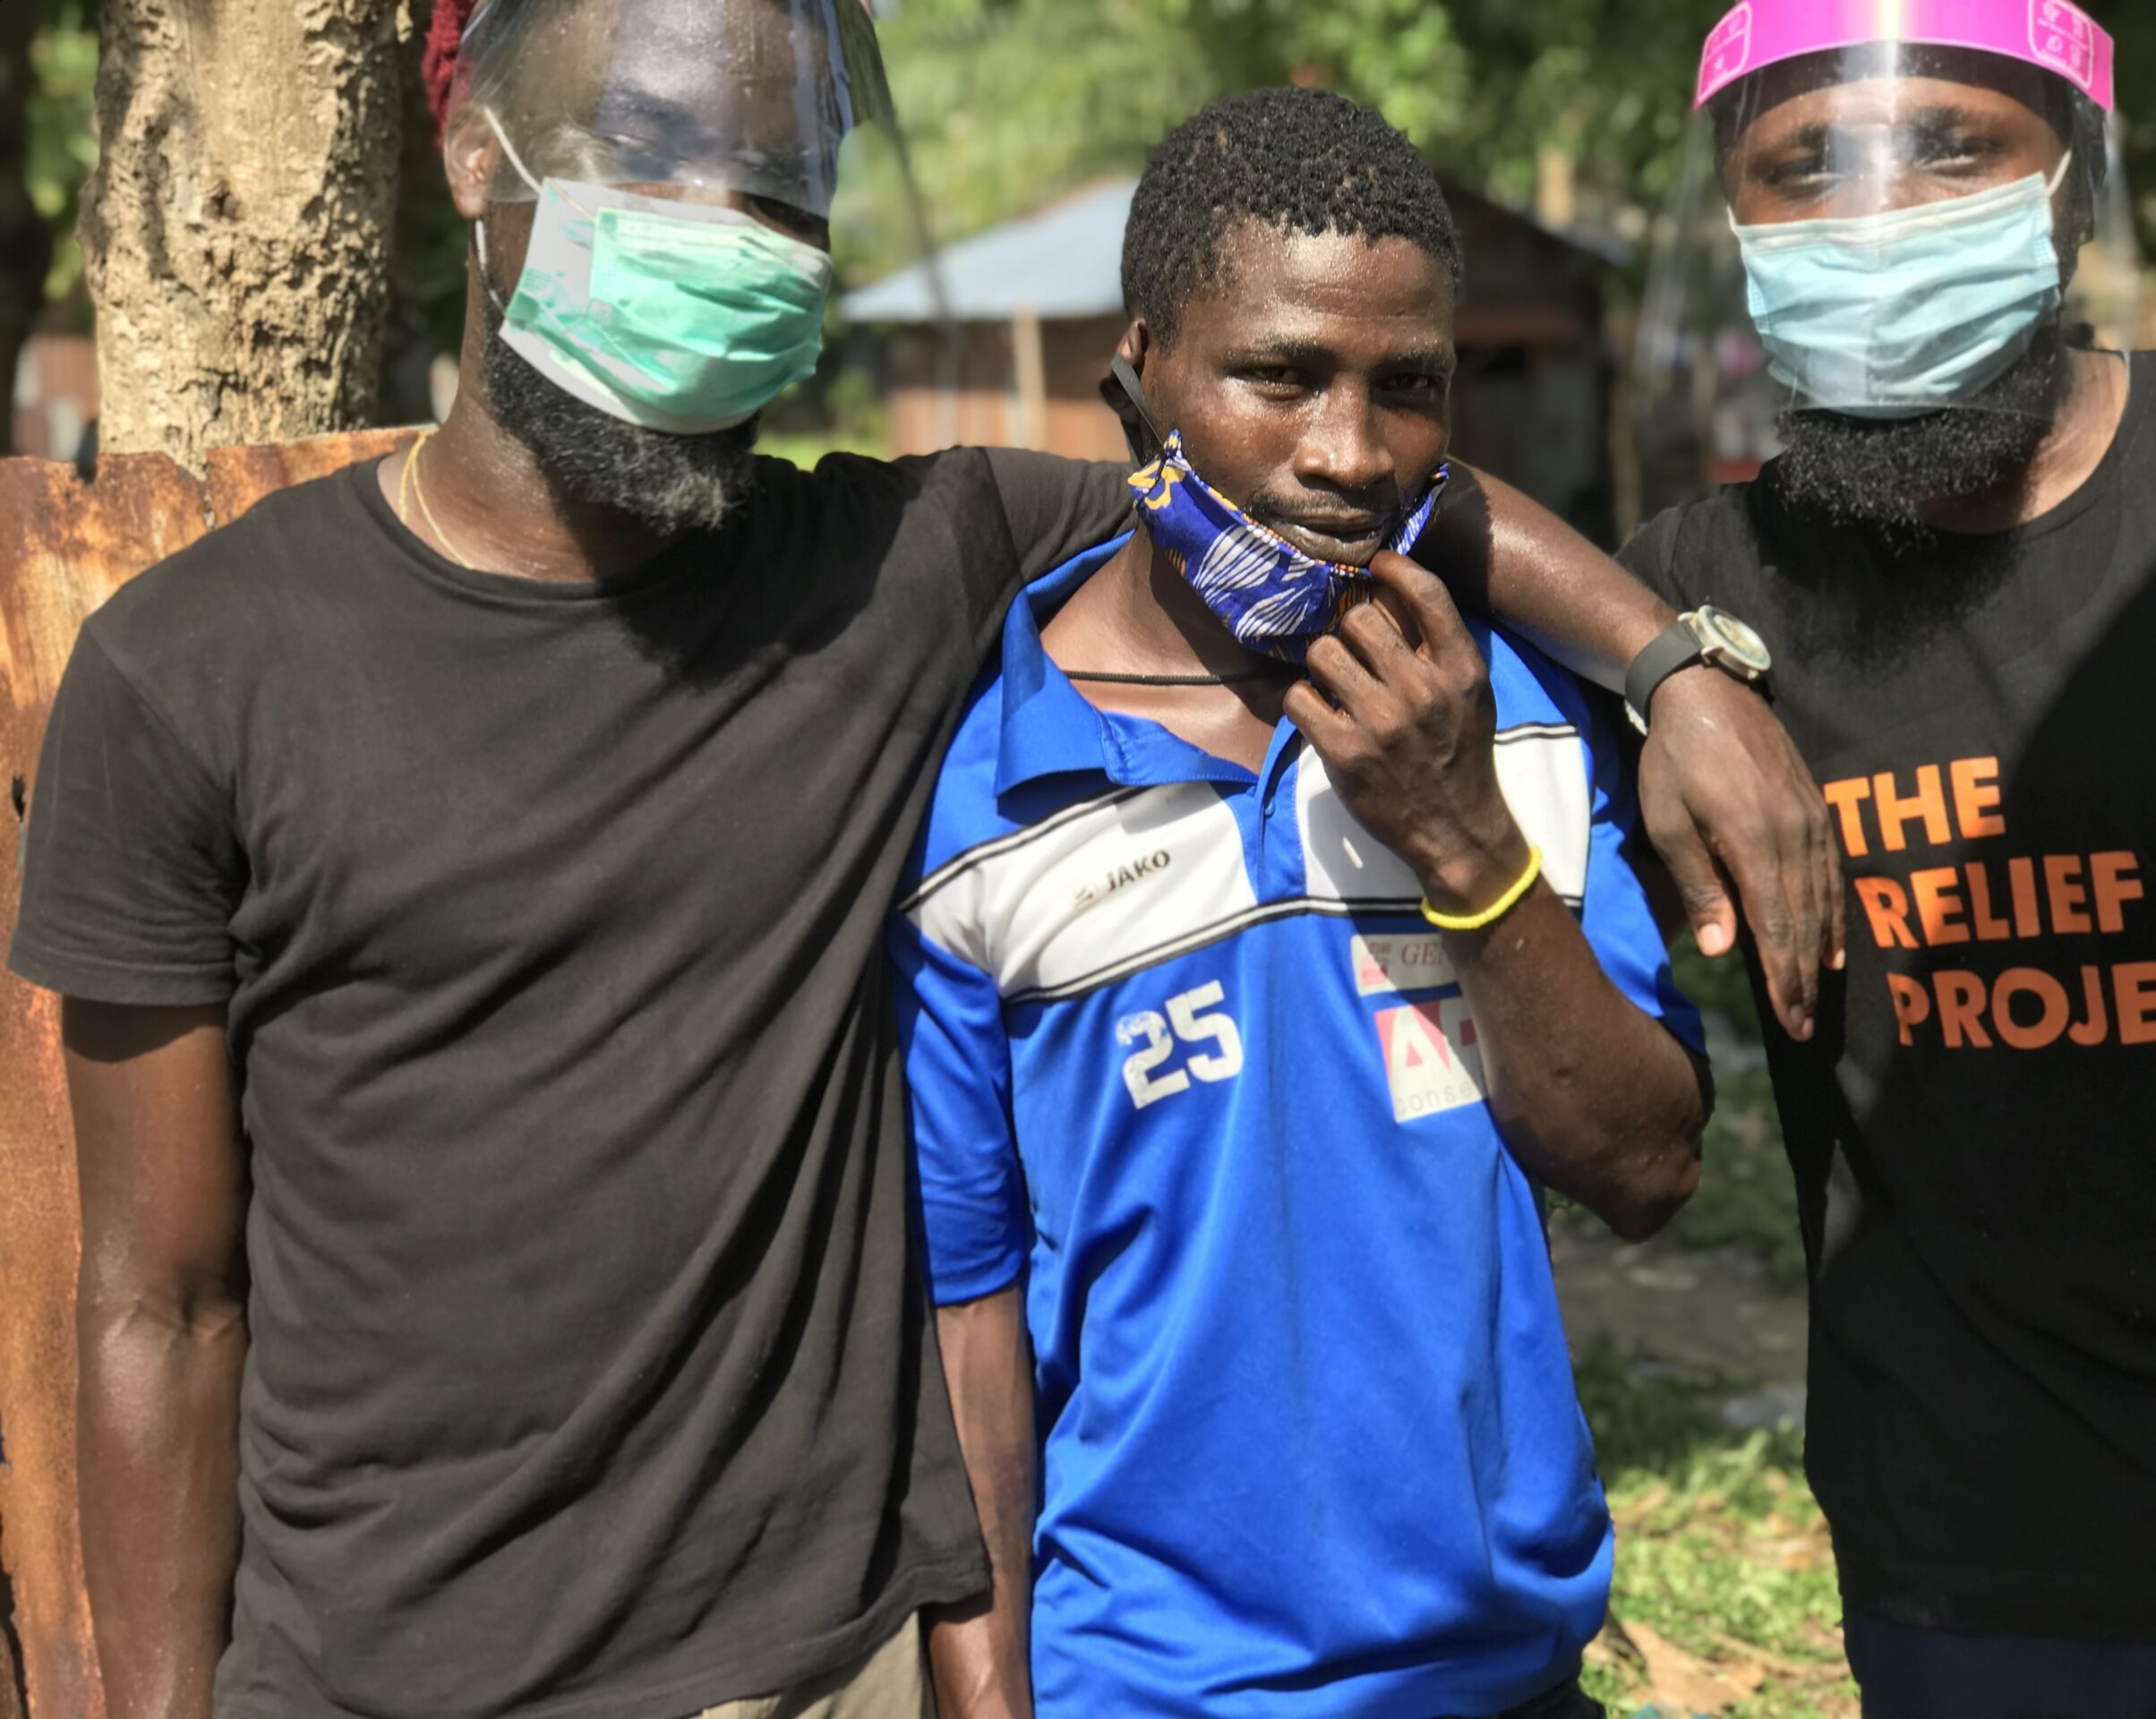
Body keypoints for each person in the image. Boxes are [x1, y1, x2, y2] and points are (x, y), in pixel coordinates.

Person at [8, 4, 1828, 1717]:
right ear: (475, 151)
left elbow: (1326, 481)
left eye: (777, 190)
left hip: (831, 1664)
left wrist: (1671, 668)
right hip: (385, 1675)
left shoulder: (896, 570)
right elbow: (158, 1302)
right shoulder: (193, 672)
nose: (717, 231)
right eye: (646, 156)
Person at [892, 88, 1712, 1719]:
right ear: (1143, 367)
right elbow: (968, 1325)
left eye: (1409, 387)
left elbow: (1647, 1169)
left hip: (1507, 1674)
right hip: (1150, 1687)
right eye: (1280, 375)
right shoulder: (980, 799)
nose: (1350, 452)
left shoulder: (1519, 722)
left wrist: (1464, 842)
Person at [1615, 1, 2156, 1711]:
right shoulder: (1709, 586)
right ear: (1737, 220)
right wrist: (1665, 663)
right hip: (1970, 1564)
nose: (1877, 217)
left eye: (1951, 148)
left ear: (2073, 187)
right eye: (1806, 169)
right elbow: (1414, 510)